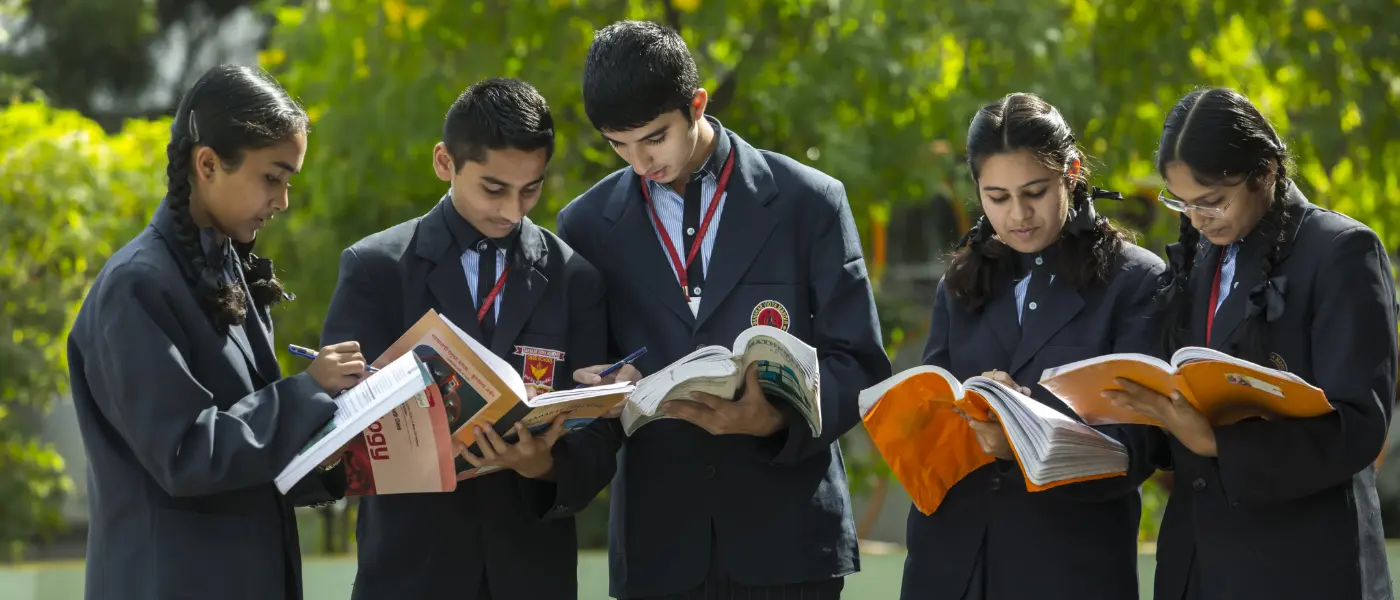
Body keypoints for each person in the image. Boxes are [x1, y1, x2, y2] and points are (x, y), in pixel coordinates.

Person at [550, 19, 892, 600]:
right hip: (659, 550)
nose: (639, 163)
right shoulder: (584, 226)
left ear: (697, 105)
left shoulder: (810, 202)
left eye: (654, 138)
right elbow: (583, 380)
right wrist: (601, 388)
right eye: (618, 145)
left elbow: (859, 365)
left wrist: (775, 419)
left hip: (790, 544)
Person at [65, 64, 364, 600]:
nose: (283, 201)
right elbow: (186, 453)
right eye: (272, 177)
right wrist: (308, 390)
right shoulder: (135, 286)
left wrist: (343, 441)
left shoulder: (224, 266)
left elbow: (248, 452)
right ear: (207, 164)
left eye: (289, 180)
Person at [319, 77, 609, 600]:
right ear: (444, 163)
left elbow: (599, 443)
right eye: (493, 188)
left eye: (532, 189)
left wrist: (542, 463)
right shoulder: (376, 268)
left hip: (531, 573)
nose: (513, 210)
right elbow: (334, 425)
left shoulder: (575, 279)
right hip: (410, 571)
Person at [1105, 88, 1396, 600]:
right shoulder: (1200, 256)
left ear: (1265, 170)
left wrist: (1217, 442)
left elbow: (1360, 429)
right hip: (1197, 563)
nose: (1196, 219)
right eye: (1182, 202)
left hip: (1302, 565)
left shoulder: (1341, 251)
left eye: (1212, 201)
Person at [899, 92, 1166, 600]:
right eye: (996, 198)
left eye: (1035, 192)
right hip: (950, 566)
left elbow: (1138, 450)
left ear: (1073, 171)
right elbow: (931, 427)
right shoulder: (959, 282)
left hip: (1066, 568)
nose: (1018, 214)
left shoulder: (1135, 281)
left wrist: (1021, 435)